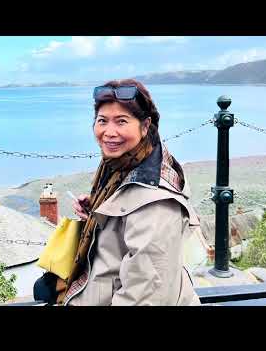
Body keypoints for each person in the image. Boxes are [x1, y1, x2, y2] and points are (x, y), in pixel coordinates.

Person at [33, 79, 201, 306]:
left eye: (122, 121)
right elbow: (128, 211)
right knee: (42, 289)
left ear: (145, 126)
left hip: (111, 295)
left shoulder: (156, 203)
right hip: (100, 282)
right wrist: (101, 208)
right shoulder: (125, 164)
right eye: (102, 121)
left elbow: (144, 296)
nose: (109, 132)